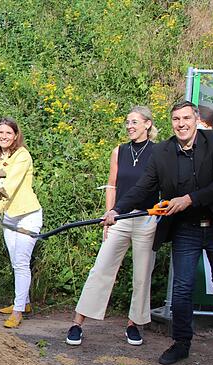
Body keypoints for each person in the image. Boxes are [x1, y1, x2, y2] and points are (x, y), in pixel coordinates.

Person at [104, 100, 213, 365]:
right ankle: (181, 343)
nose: (181, 124)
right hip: (185, 230)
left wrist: (188, 199)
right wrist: (116, 209)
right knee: (181, 290)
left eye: (186, 118)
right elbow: (144, 185)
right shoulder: (163, 152)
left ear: (196, 119)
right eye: (175, 120)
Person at [66, 106, 159, 346]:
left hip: (146, 219)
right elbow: (112, 185)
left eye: (135, 122)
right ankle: (78, 322)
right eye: (127, 122)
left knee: (142, 274)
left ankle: (133, 324)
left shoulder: (159, 153)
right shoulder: (119, 151)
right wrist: (109, 214)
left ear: (147, 124)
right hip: (120, 218)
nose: (129, 126)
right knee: (101, 268)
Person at [0, 118, 42, 329]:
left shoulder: (22, 156)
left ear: (16, 135)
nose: (3, 136)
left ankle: (18, 312)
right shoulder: (2, 157)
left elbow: (10, 185)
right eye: (0, 132)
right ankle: (24, 303)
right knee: (15, 262)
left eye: (8, 133)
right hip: (10, 216)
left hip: (28, 214)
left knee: (20, 262)